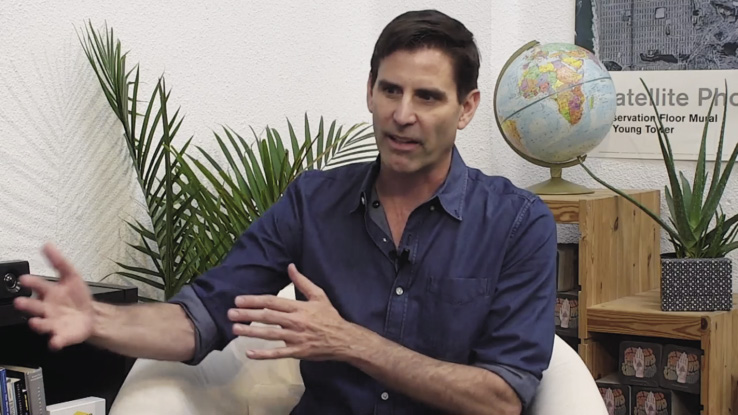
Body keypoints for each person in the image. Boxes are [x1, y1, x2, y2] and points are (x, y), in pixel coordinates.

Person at [15, 9, 556, 415]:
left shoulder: (517, 223)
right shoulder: (313, 202)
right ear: (369, 92)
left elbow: (501, 398)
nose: (402, 114)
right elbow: (201, 318)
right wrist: (98, 320)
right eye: (390, 90)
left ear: (466, 108)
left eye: (428, 97)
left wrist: (349, 341)